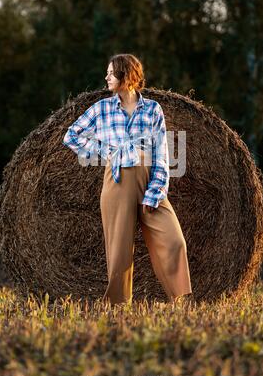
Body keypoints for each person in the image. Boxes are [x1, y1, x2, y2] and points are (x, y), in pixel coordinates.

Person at [63, 53, 192, 306]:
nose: (106, 77)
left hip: (148, 179)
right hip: (118, 179)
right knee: (120, 249)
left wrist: (155, 191)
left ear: (126, 75)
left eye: (111, 73)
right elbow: (71, 135)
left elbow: (161, 154)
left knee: (173, 239)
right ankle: (118, 306)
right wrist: (104, 151)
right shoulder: (101, 109)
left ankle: (181, 298)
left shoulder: (153, 109)